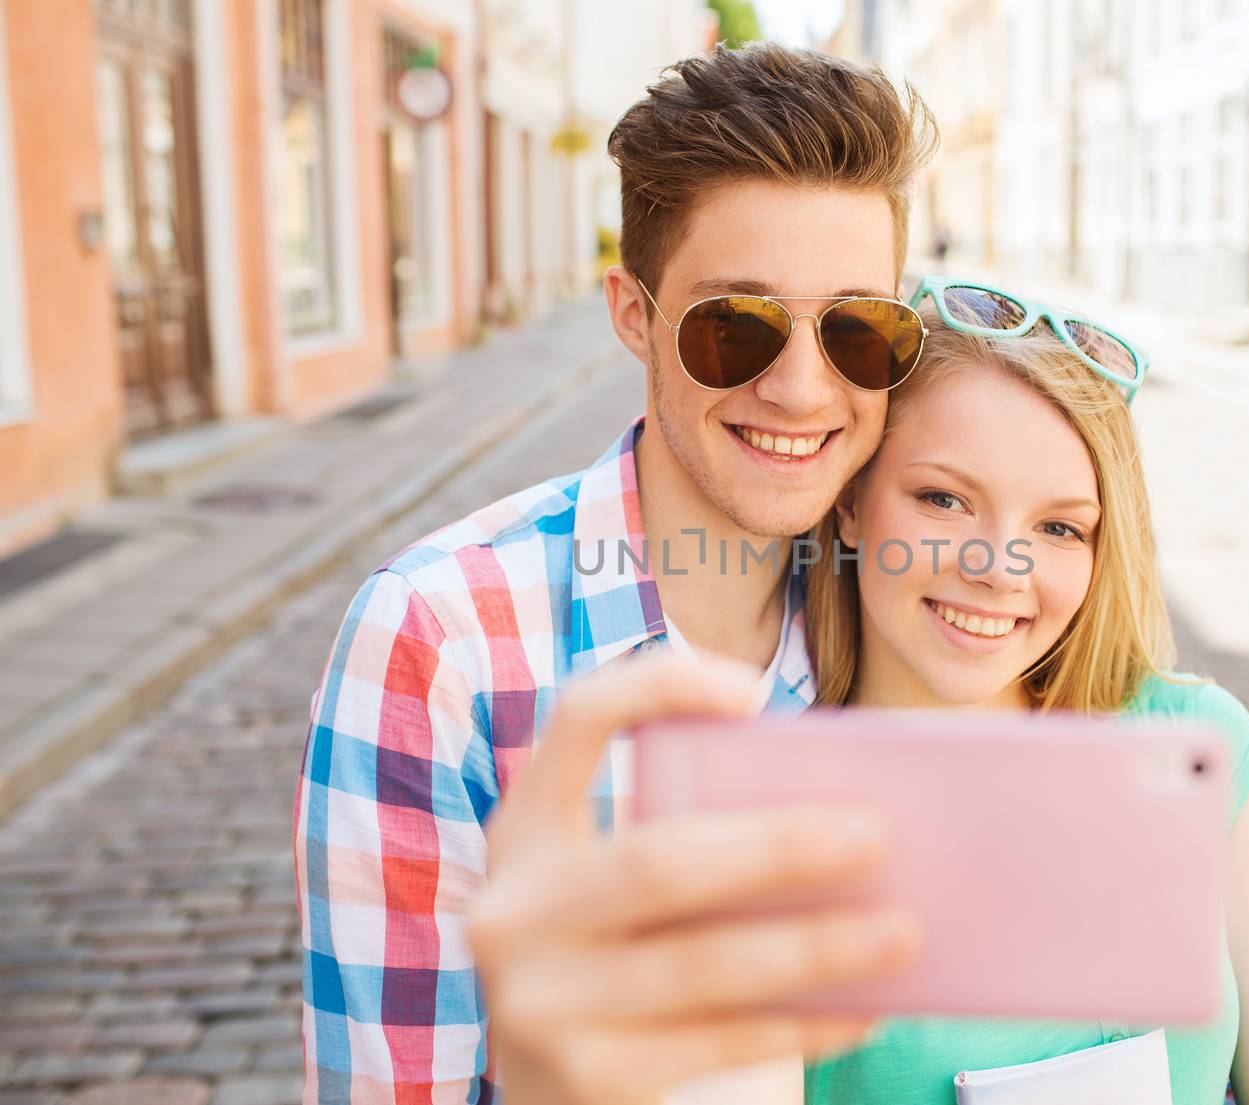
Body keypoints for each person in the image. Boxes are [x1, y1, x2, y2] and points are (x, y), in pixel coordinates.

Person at [292, 43, 937, 1103]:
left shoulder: (910, 612)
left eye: (859, 327)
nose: (802, 388)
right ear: (633, 314)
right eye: (737, 325)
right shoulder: (440, 640)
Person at [797, 287, 1249, 1103]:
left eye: (1059, 527)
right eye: (945, 500)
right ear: (851, 502)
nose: (1000, 567)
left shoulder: (1199, 744)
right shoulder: (774, 815)